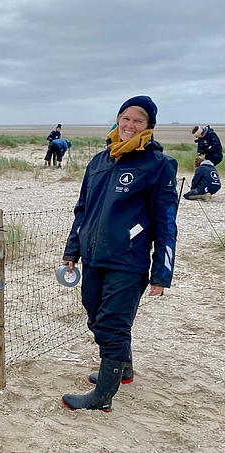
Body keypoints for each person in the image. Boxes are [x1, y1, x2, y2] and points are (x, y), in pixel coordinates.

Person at [61, 96, 178, 412]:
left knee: (112, 324)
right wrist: (72, 249)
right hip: (94, 256)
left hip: (129, 260)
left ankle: (102, 397)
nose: (129, 125)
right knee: (95, 313)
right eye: (125, 118)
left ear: (149, 127)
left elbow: (166, 222)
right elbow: (82, 210)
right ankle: (122, 368)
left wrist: (161, 273)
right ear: (117, 120)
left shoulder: (159, 166)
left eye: (138, 120)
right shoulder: (100, 161)